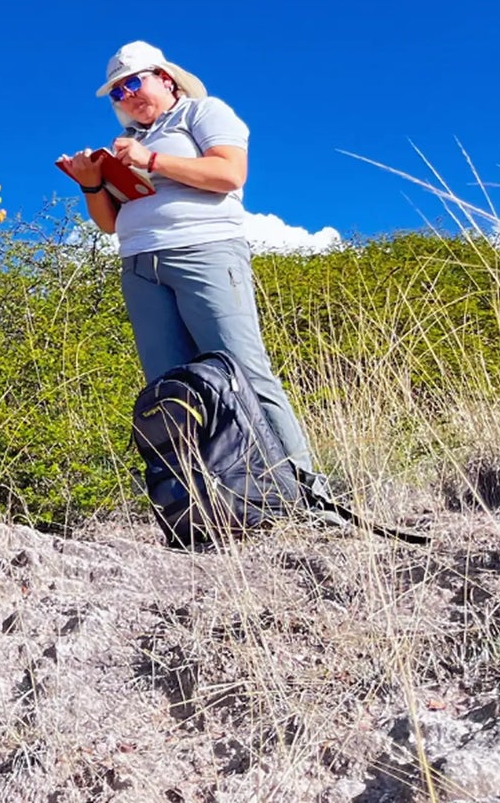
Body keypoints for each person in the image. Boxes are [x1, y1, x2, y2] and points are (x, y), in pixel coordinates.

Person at [60, 40, 317, 481]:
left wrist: (153, 159)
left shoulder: (203, 113)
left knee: (243, 371)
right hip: (140, 264)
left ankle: (308, 493)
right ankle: (204, 504)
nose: (128, 97)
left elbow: (228, 174)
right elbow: (109, 223)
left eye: (133, 83)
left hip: (205, 249)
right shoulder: (130, 142)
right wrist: (91, 184)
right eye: (118, 93)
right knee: (172, 389)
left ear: (164, 77)